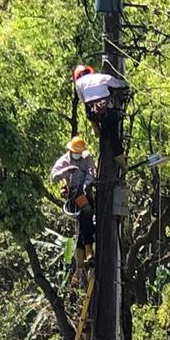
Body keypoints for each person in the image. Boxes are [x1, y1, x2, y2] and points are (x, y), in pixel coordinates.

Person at [50, 136, 96, 268]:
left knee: (85, 222)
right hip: (73, 195)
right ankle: (88, 251)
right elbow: (53, 176)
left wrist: (86, 185)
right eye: (75, 152)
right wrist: (65, 171)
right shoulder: (64, 160)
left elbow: (90, 172)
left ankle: (82, 262)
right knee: (85, 215)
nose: (77, 155)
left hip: (86, 193)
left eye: (79, 152)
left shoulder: (87, 157)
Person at [73, 64, 128, 167]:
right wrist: (124, 84)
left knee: (89, 109)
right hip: (108, 113)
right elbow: (117, 84)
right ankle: (123, 165)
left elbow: (83, 100)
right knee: (114, 137)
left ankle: (97, 131)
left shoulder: (79, 84)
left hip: (94, 114)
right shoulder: (101, 77)